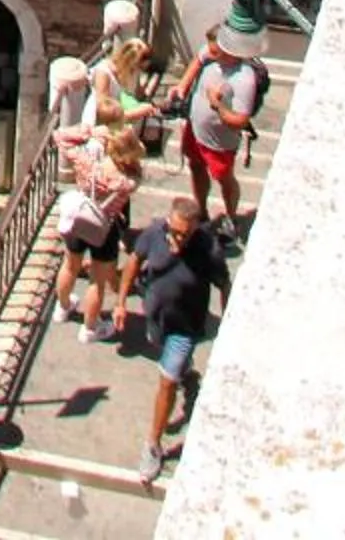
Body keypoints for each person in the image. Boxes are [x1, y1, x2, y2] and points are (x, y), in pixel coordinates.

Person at [114, 192, 230, 485]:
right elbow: (133, 262)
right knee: (170, 362)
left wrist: (228, 322)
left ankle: (153, 444)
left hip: (186, 327)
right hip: (157, 322)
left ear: (195, 230)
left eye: (184, 235)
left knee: (166, 381)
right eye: (173, 232)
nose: (176, 240)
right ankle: (187, 372)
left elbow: (224, 284)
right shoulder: (154, 233)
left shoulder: (208, 249)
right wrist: (120, 302)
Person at [173, 0, 267, 240]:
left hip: (220, 141)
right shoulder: (213, 50)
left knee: (224, 179)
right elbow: (197, 60)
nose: (210, 54)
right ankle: (201, 211)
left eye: (216, 52)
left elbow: (240, 120)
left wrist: (217, 107)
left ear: (230, 50)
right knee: (195, 166)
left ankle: (231, 216)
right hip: (196, 130)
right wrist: (183, 86)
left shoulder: (243, 77)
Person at [52, 121, 144, 341]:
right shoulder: (130, 179)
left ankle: (63, 308)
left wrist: (90, 131)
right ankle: (90, 328)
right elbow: (134, 173)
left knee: (70, 264)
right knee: (97, 279)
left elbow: (60, 136)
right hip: (104, 226)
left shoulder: (88, 163)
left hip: (79, 217)